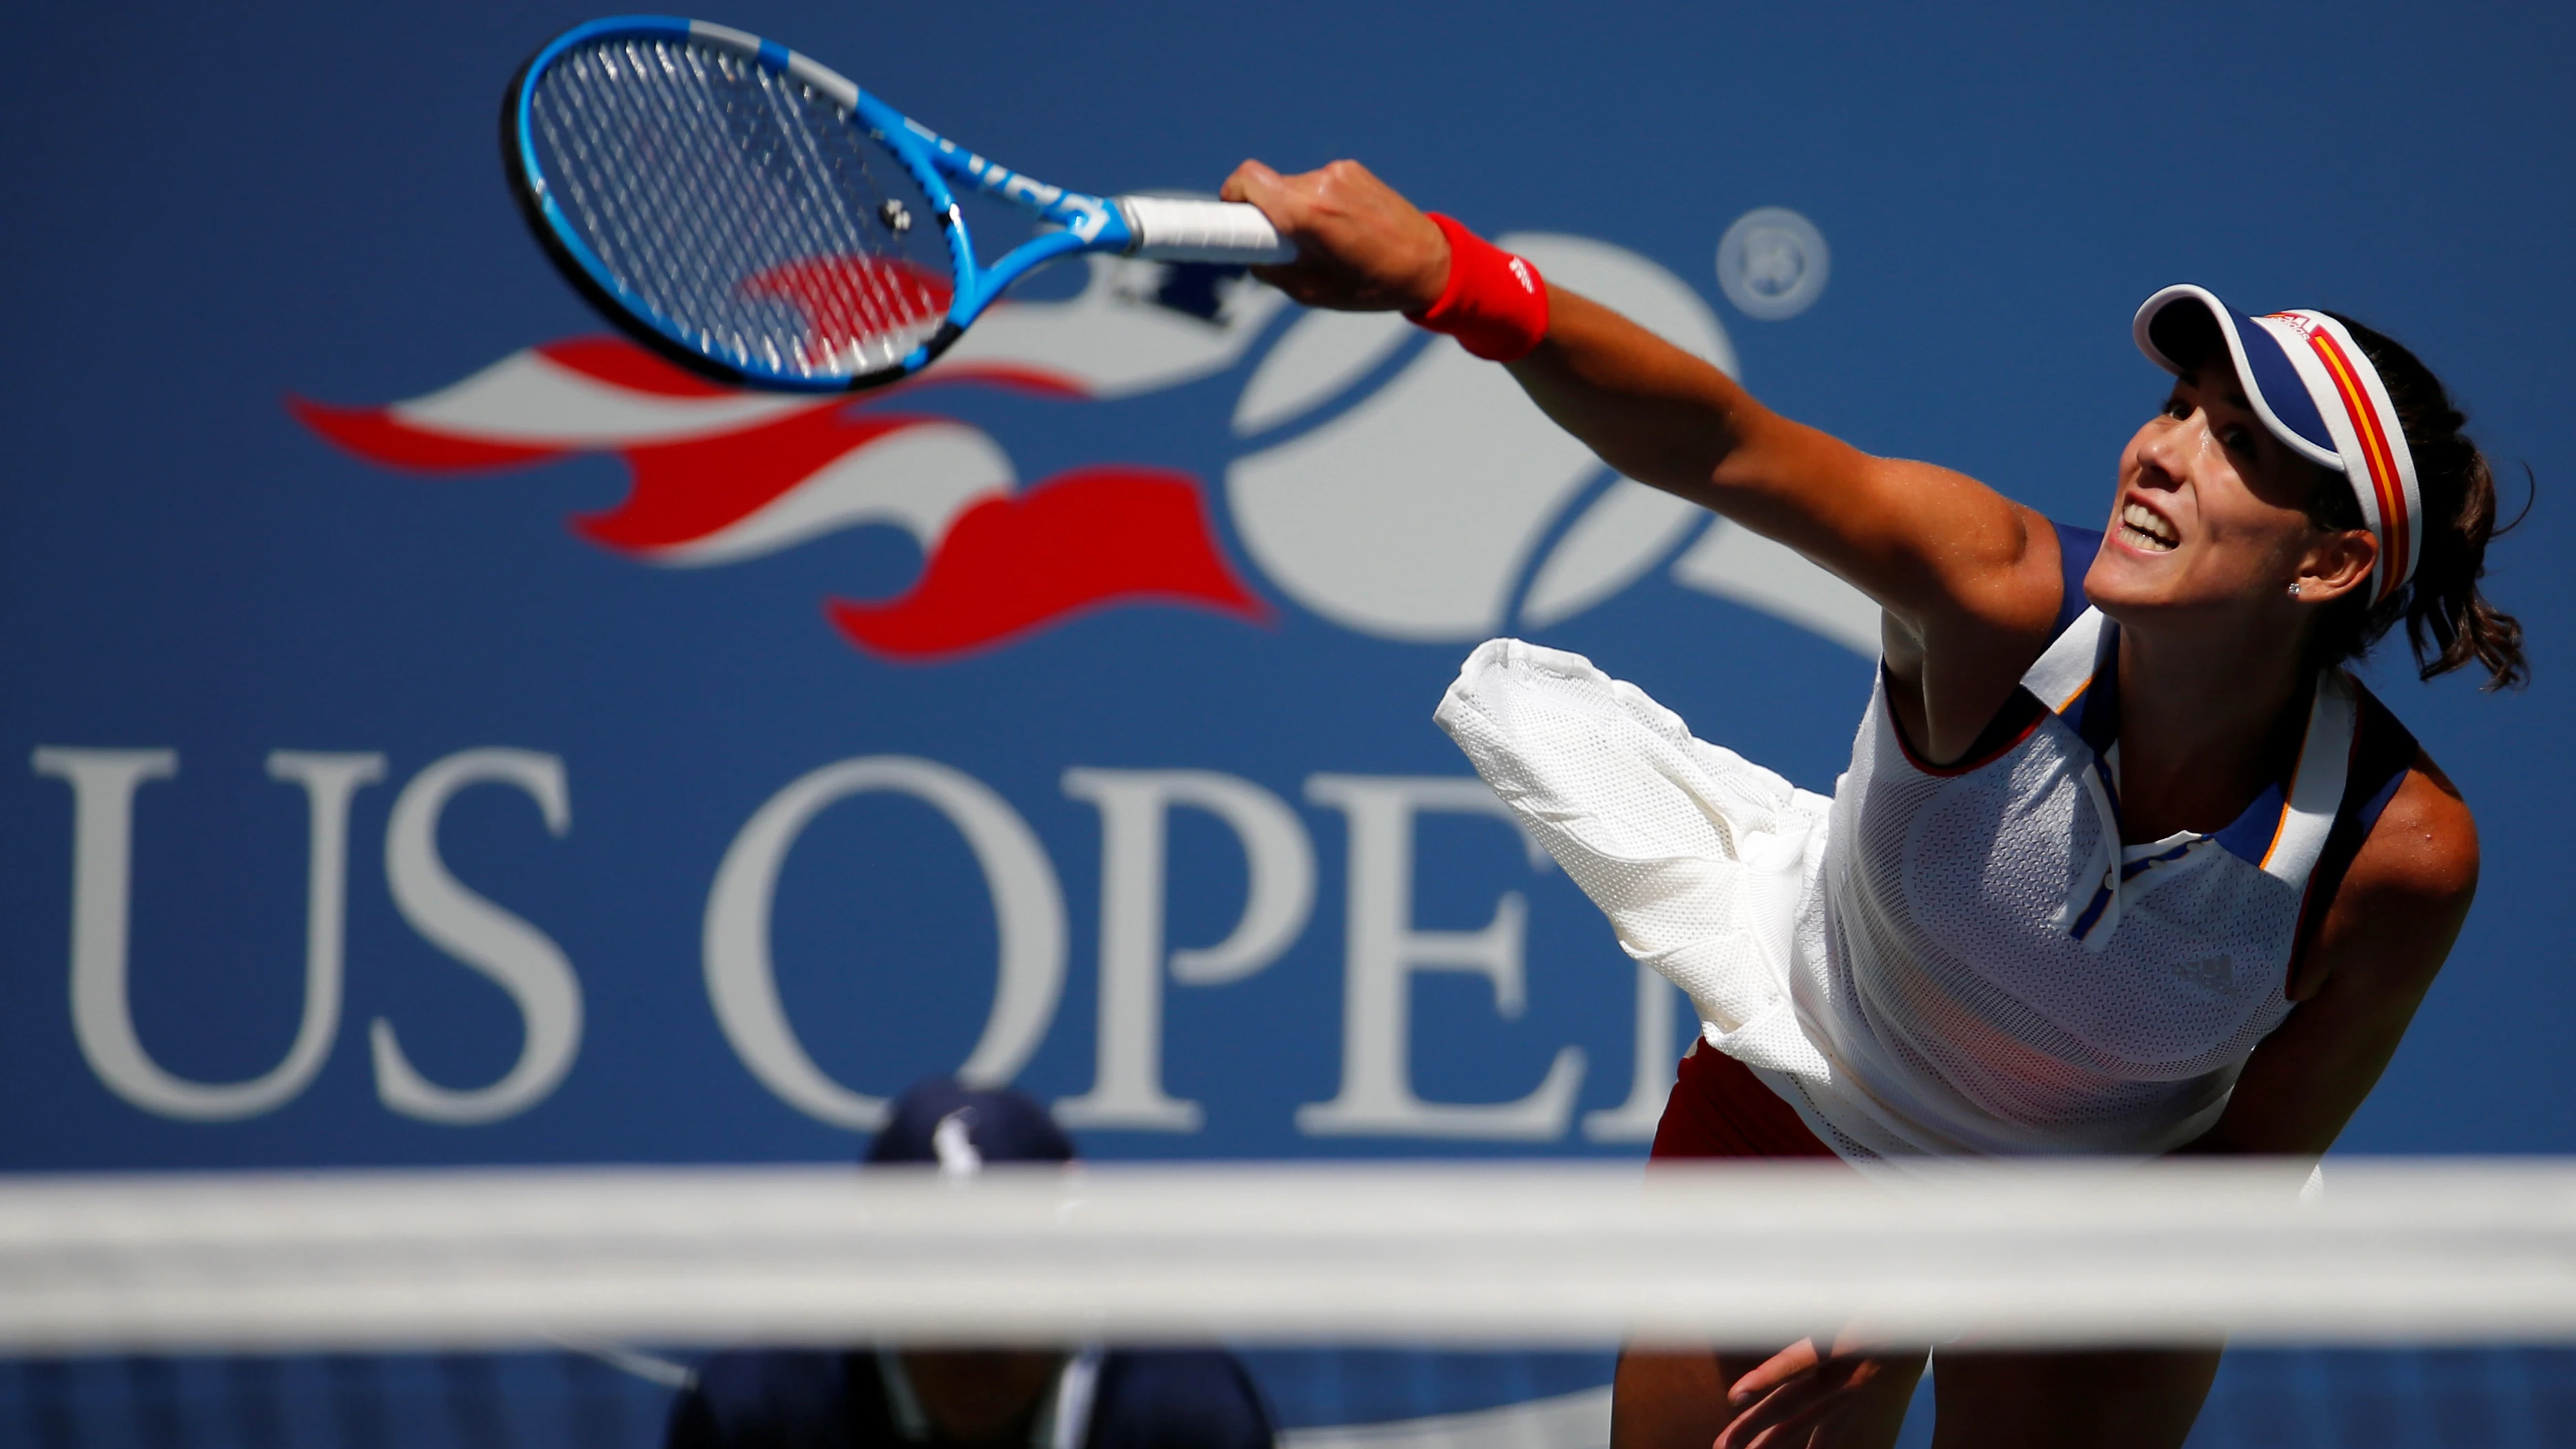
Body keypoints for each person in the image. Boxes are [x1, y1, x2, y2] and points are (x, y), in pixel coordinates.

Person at [1217, 159, 2522, 1448]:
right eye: (2176, 406)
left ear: (2333, 560)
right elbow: (1722, 443)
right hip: (1815, 1101)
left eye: (2236, 445)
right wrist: (1454, 278)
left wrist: (1960, 1275)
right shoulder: (1993, 590)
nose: (2162, 454)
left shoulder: (2393, 853)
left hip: (2101, 1232)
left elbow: (2244, 1179)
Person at [666, 1078, 1276, 1449]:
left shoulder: (1187, 1416)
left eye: (1006, 1284)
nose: (973, 1340)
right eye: (935, 1286)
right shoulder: (758, 1413)